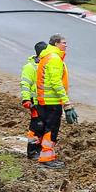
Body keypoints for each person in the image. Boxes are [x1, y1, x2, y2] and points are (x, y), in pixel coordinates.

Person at [35, 34, 79, 169]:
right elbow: (55, 82)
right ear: (56, 44)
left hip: (45, 101)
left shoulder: (47, 56)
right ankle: (46, 159)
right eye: (64, 43)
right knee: (51, 130)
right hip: (52, 102)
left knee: (46, 129)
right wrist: (66, 102)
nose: (66, 45)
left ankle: (46, 156)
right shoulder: (54, 59)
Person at [20, 41, 48, 159]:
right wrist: (26, 100)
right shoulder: (30, 67)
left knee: (45, 126)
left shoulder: (47, 65)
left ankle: (41, 149)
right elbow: (25, 84)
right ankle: (32, 151)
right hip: (35, 102)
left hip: (46, 102)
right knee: (36, 127)